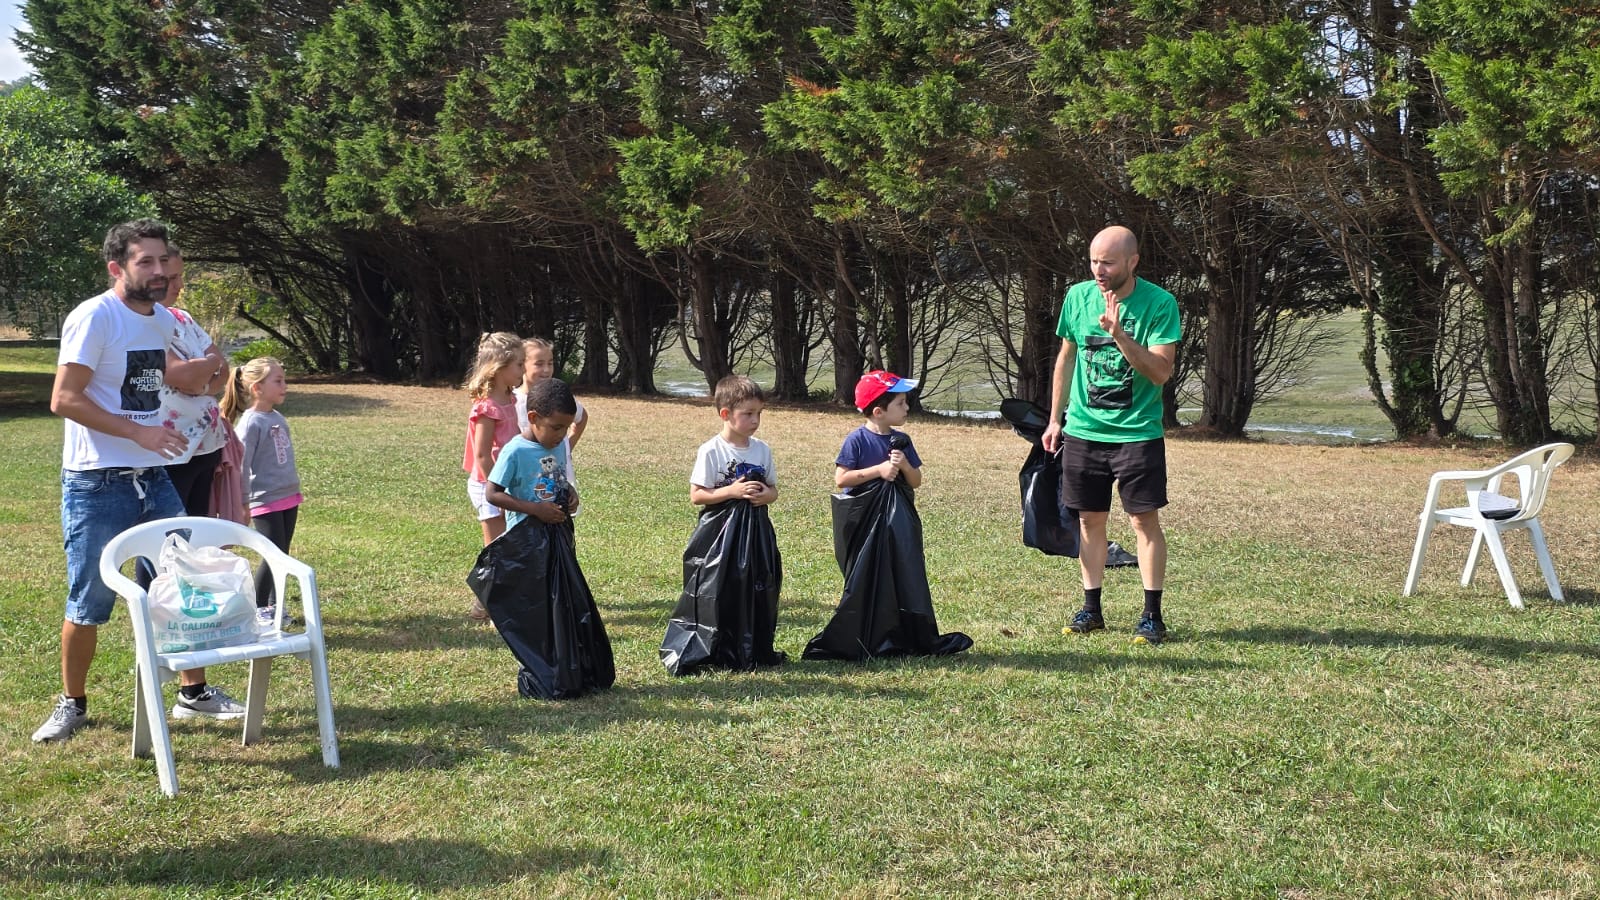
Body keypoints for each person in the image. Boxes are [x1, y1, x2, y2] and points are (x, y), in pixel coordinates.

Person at [33, 219, 244, 744]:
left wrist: (152, 440)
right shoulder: (94, 316)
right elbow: (64, 398)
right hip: (96, 483)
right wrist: (140, 435)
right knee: (90, 600)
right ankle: (72, 703)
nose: (157, 271)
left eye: (161, 261)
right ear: (117, 268)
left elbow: (184, 378)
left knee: (184, 578)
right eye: (143, 262)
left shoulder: (158, 322)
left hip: (152, 478)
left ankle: (192, 693)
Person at [1041, 225, 1181, 645]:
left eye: (1108, 262)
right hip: (1085, 431)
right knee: (1088, 520)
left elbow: (1160, 372)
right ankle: (1091, 609)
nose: (1098, 271)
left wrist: (1120, 334)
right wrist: (1054, 418)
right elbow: (1065, 359)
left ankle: (1152, 616)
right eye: (1093, 262)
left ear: (1132, 262)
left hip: (1137, 432)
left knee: (1143, 521)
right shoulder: (1078, 297)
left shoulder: (1160, 303)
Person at [803, 370, 971, 660]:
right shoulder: (857, 440)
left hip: (898, 523)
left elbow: (916, 480)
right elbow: (842, 479)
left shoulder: (902, 440)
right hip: (863, 522)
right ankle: (865, 632)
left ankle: (901, 632)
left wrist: (904, 465)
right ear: (879, 411)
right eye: (901, 404)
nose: (907, 408)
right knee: (866, 576)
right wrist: (878, 471)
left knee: (901, 572)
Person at [660, 375, 785, 674]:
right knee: (718, 588)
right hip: (718, 537)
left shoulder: (761, 450)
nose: (755, 420)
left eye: (759, 414)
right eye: (748, 414)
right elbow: (697, 495)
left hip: (755, 534)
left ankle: (752, 645)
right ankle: (715, 645)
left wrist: (765, 496)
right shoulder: (712, 451)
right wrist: (732, 492)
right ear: (725, 414)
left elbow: (773, 490)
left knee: (756, 586)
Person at [220, 357, 303, 629]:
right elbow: (241, 467)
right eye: (278, 381)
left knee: (283, 553)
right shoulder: (251, 423)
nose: (285, 386)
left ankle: (276, 605)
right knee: (273, 555)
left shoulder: (276, 417)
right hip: (264, 500)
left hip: (288, 496)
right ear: (257, 388)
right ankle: (259, 607)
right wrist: (244, 502)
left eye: (284, 380)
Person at [486, 377, 580, 530]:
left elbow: (556, 477)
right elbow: (492, 494)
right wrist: (535, 509)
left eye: (567, 428)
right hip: (524, 538)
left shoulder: (558, 445)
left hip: (556, 533)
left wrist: (570, 491)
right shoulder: (516, 451)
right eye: (556, 428)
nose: (562, 434)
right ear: (533, 417)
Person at [515, 337, 588, 452]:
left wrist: (567, 448)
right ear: (522, 365)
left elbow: (582, 417)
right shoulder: (513, 400)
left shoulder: (558, 396)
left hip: (557, 468)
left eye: (550, 363)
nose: (546, 370)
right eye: (539, 364)